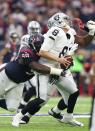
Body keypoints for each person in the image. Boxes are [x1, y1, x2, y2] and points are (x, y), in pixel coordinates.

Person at [12, 12, 95, 127]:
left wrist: (91, 32)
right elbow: (42, 52)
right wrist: (60, 59)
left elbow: (83, 42)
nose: (68, 22)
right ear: (58, 22)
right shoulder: (55, 31)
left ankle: (67, 117)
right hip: (46, 68)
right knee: (42, 99)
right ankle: (19, 116)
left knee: (74, 92)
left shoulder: (70, 32)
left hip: (60, 67)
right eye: (65, 20)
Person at [0, 20, 68, 114]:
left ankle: (20, 103)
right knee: (32, 86)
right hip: (8, 74)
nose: (41, 47)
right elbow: (34, 65)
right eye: (39, 45)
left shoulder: (43, 47)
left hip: (19, 81)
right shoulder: (26, 50)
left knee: (12, 108)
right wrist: (56, 71)